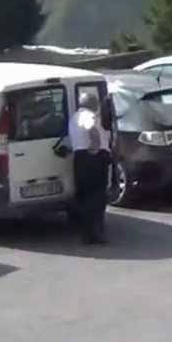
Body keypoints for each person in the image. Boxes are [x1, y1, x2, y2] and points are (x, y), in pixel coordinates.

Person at [69, 89, 111, 244]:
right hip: (93, 158)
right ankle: (96, 233)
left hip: (80, 158)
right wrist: (95, 146)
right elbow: (92, 129)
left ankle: (87, 234)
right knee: (97, 197)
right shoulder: (86, 115)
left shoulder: (74, 117)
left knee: (84, 196)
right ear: (92, 104)